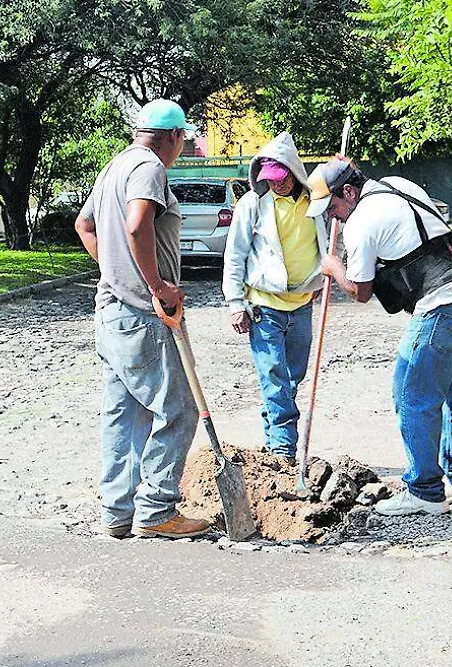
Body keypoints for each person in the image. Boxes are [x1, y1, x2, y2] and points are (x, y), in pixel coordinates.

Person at [307, 159, 452, 516]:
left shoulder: (359, 222)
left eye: (333, 208)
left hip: (444, 306)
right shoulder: (396, 185)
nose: (334, 218)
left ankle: (424, 491)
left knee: (411, 395)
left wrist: (333, 267)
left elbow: (360, 291)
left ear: (349, 191)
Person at [74, 99, 211, 539]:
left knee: (124, 413)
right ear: (173, 137)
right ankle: (156, 510)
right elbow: (137, 226)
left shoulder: (114, 166)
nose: (182, 147)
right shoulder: (149, 167)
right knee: (179, 409)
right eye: (183, 140)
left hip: (111, 313)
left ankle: (117, 513)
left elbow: (85, 225)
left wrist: (115, 273)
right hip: (142, 316)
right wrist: (155, 287)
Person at [222, 133, 329, 464]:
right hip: (263, 306)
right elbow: (235, 255)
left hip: (302, 304)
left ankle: (273, 443)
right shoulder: (253, 204)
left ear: (294, 174)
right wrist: (235, 303)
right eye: (270, 181)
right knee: (273, 377)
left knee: (291, 379)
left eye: (282, 180)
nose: (277, 186)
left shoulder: (316, 201)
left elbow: (334, 235)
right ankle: (285, 452)